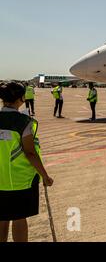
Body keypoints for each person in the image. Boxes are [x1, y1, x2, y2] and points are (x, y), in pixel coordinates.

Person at [0, 81, 54, 242]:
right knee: (19, 219)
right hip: (20, 181)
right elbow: (30, 153)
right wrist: (45, 176)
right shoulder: (24, 122)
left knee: (2, 219)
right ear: (22, 98)